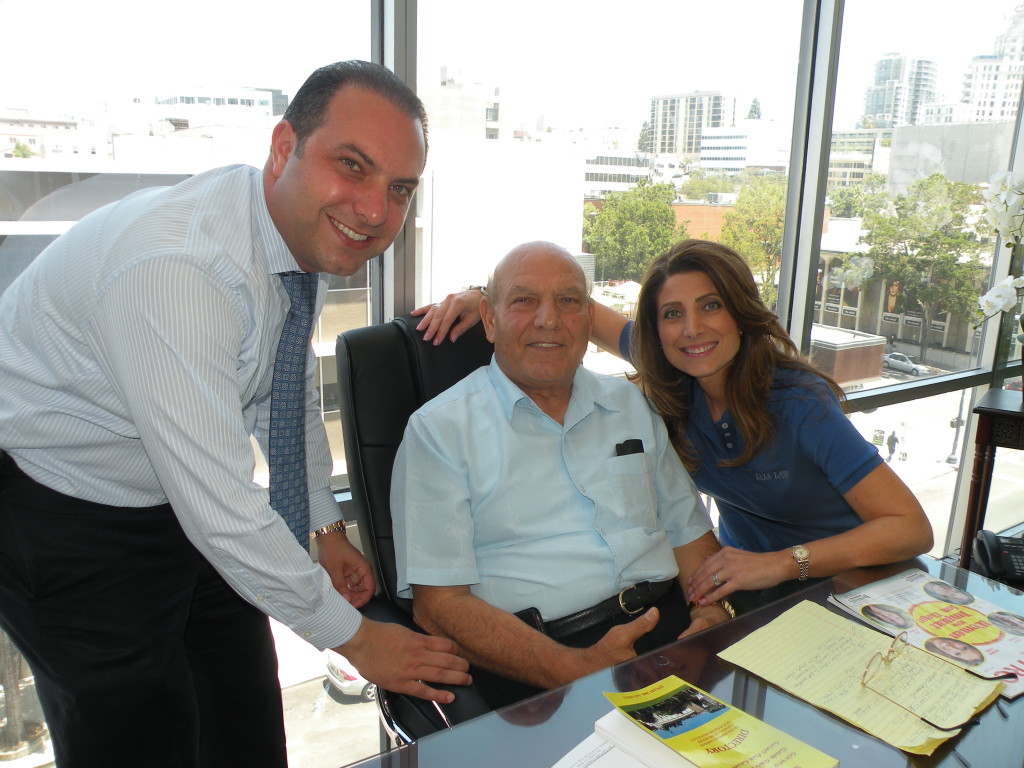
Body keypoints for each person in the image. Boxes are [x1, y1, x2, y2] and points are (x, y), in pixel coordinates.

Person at [0, 61, 470, 768]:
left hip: (174, 499)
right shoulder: (179, 268)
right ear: (284, 147)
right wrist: (359, 640)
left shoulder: (284, 231)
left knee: (241, 718)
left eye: (399, 189)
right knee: (138, 740)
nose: (376, 211)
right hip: (63, 509)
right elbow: (221, 506)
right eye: (353, 166)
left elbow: (285, 391)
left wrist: (324, 527)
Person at [413, 239, 933, 612]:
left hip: (853, 581)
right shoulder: (671, 377)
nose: (693, 329)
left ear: (741, 313)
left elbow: (912, 529)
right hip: (752, 588)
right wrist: (482, 299)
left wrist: (780, 563)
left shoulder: (797, 404)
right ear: (655, 330)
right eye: (671, 314)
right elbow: (571, 311)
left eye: (712, 306)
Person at [391, 242, 730, 711]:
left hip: (672, 632)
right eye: (524, 300)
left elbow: (688, 531)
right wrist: (572, 670)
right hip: (540, 666)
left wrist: (712, 610)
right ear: (489, 319)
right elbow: (438, 605)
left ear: (589, 320)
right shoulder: (439, 431)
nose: (548, 320)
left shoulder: (631, 403)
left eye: (568, 301)